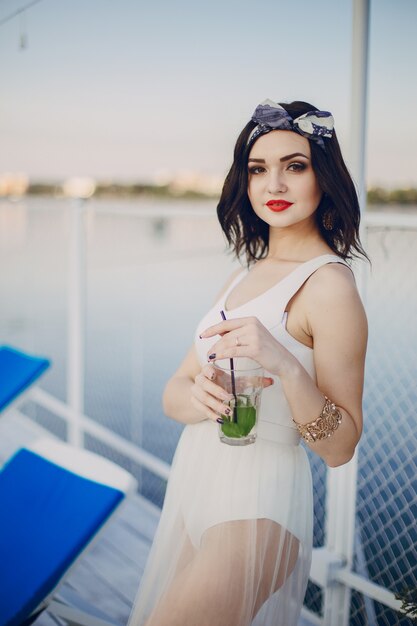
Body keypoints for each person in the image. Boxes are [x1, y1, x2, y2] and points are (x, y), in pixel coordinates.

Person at [128, 99, 368, 626]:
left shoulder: (329, 284)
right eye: (258, 170)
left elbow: (341, 446)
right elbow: (175, 389)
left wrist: (285, 364)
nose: (274, 185)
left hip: (259, 505)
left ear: (323, 177)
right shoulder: (246, 272)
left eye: (295, 166)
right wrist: (199, 398)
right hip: (197, 484)